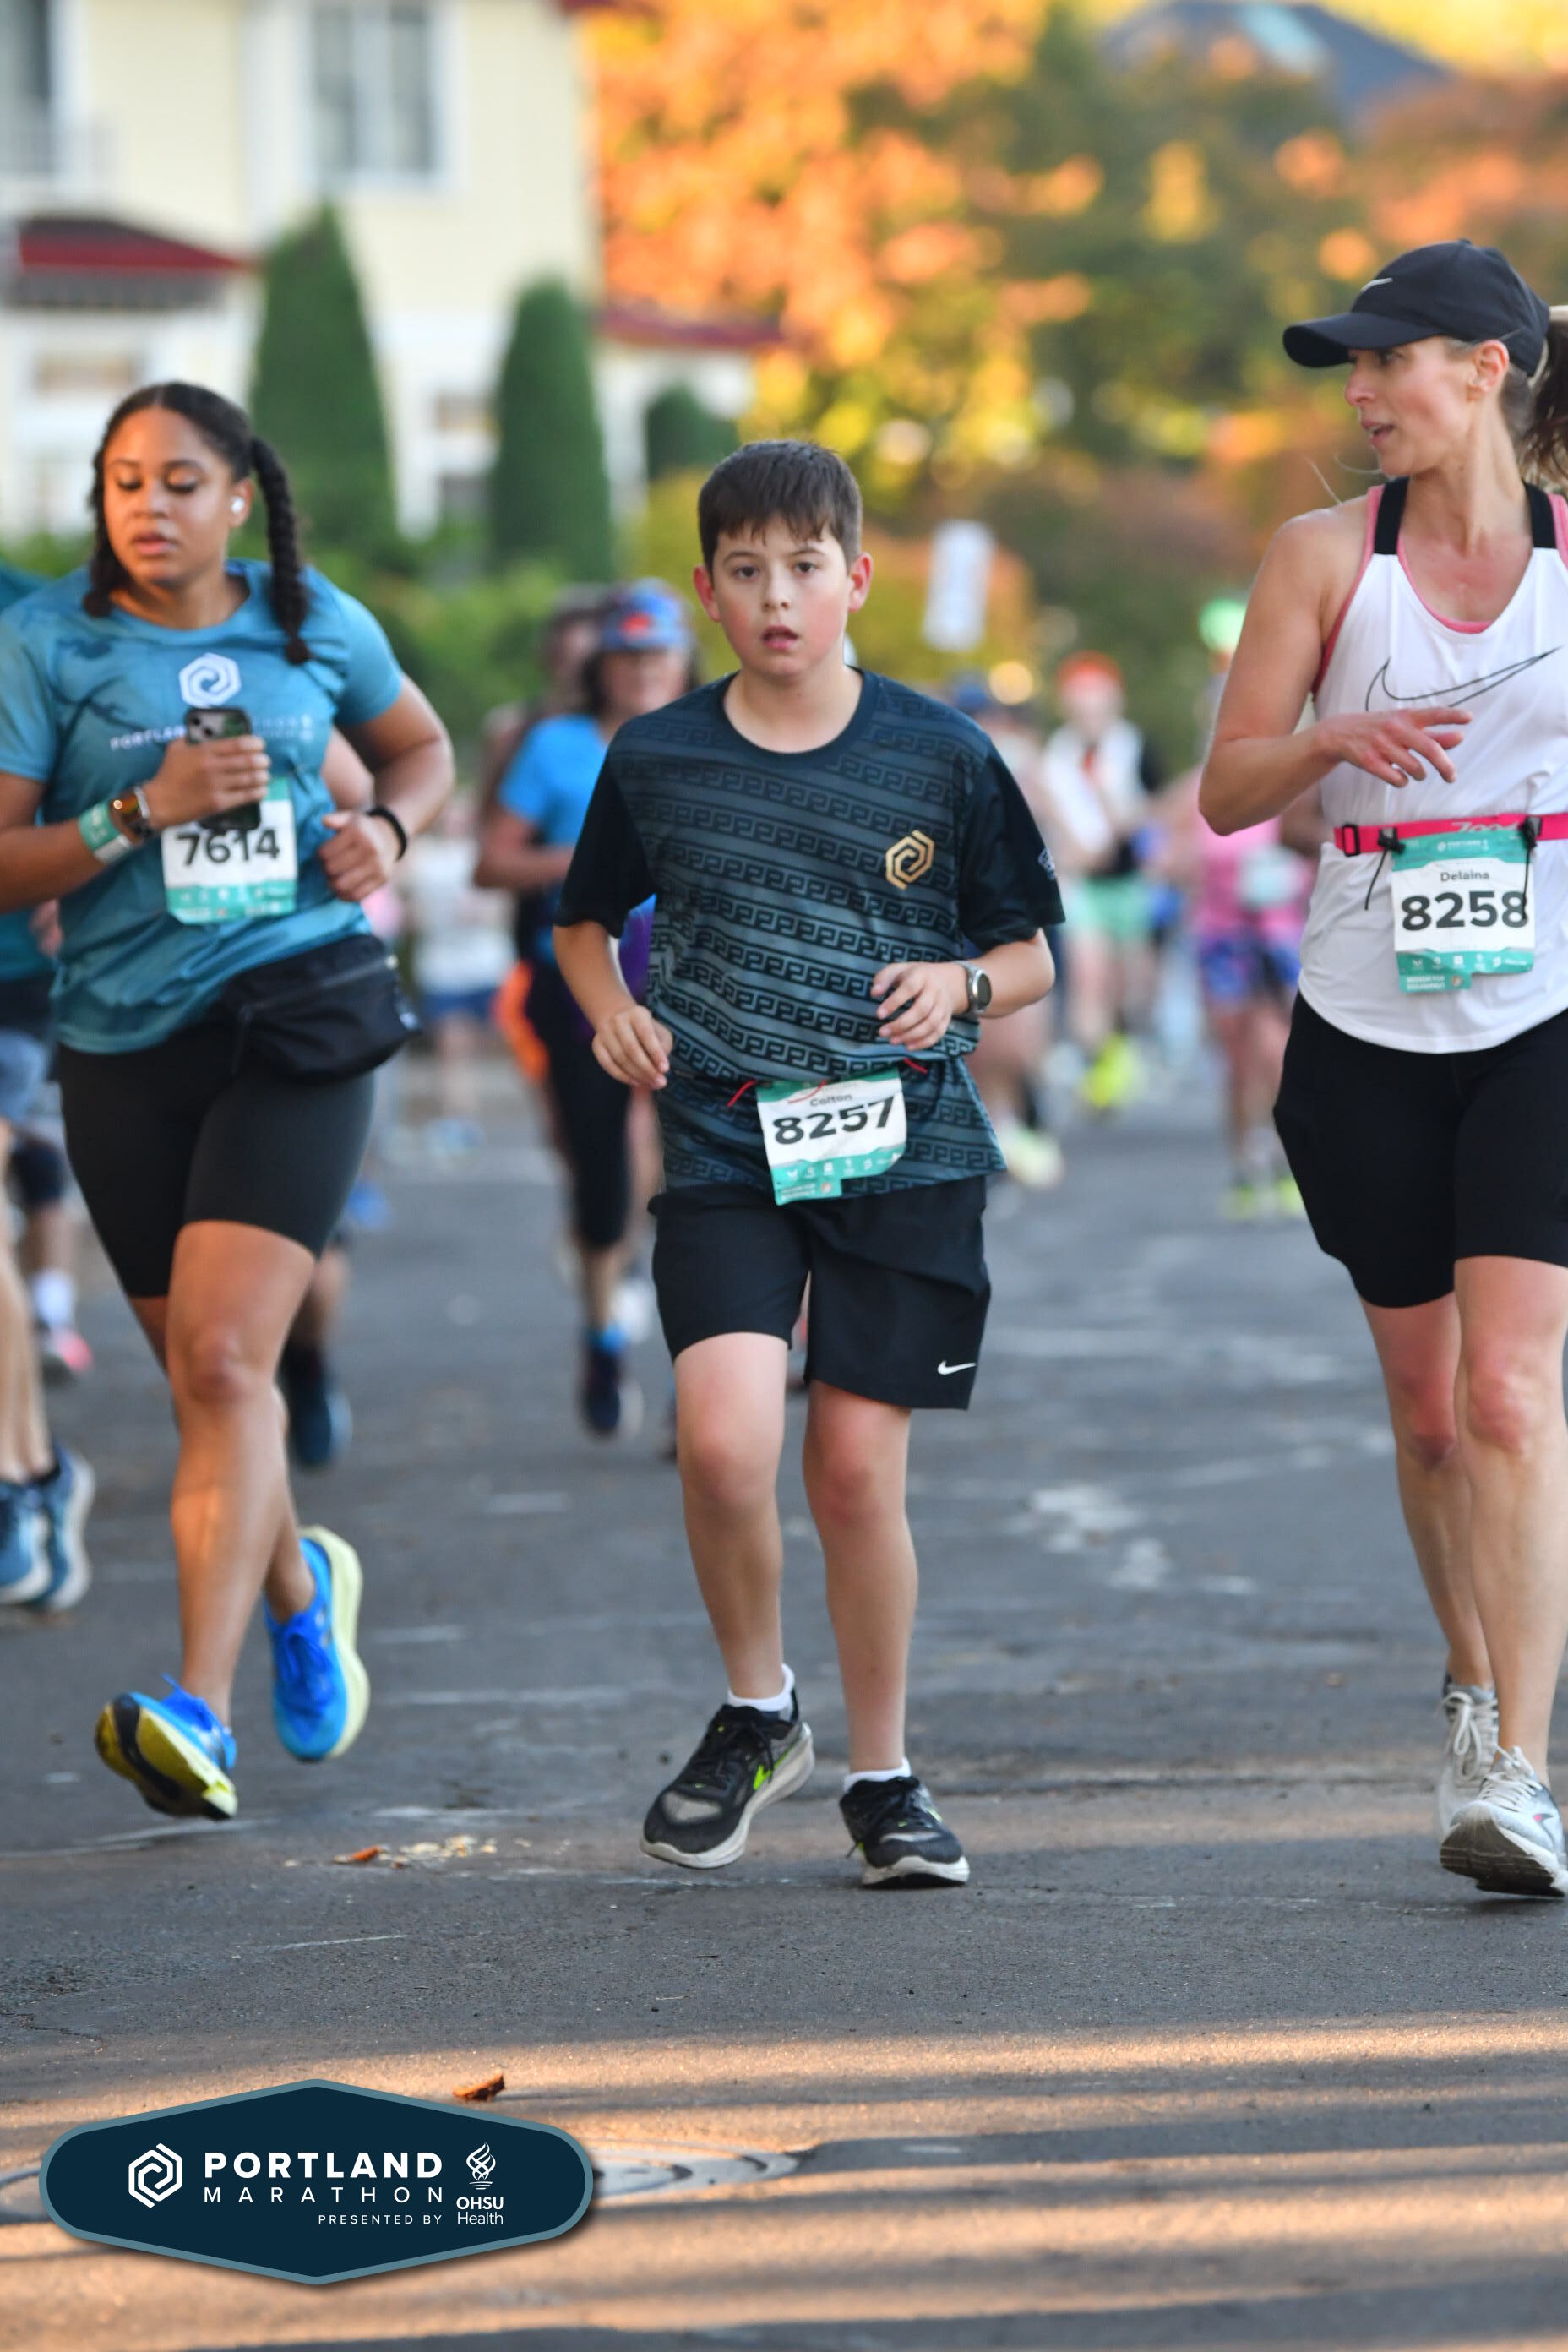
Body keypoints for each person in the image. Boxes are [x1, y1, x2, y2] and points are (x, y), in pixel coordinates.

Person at [553, 442, 1059, 1887]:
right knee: (723, 1441)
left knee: (849, 1470)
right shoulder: (657, 755)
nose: (778, 596)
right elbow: (582, 923)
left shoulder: (942, 752)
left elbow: (1029, 953)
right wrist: (611, 1011)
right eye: (747, 571)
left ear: (857, 578)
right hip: (726, 1138)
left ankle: (885, 1778)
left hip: (905, 1149)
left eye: (804, 567)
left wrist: (960, 986)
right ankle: (761, 1707)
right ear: (708, 591)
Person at [0, 380, 453, 1819]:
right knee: (212, 1380)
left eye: (182, 481)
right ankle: (301, 1584)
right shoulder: (47, 642)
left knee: (219, 1363)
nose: (151, 505)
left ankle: (199, 1710)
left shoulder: (311, 620)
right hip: (123, 1038)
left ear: (240, 496)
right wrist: (138, 810)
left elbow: (422, 748)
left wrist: (390, 829)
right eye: (126, 481)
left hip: (298, 1006)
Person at [1202, 240, 1568, 1898]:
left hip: (1543, 1014)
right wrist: (1328, 740)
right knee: (1428, 1416)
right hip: (1365, 1022)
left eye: (1384, 362)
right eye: (1348, 368)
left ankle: (1518, 1765)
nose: (1358, 394)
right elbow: (1223, 791)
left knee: (1509, 1393)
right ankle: (1472, 1682)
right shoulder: (1318, 559)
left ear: (1485, 369)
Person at [476, 581, 694, 1438]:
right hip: (579, 982)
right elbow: (492, 863)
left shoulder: (719, 735)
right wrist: (594, 863)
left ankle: (699, 1374)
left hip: (696, 983)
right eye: (627, 656)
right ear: (600, 665)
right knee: (600, 1173)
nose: (643, 672)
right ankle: (603, 1331)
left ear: (683, 659)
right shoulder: (555, 746)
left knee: (698, 1181)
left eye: (657, 655)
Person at [0, 563, 92, 1609]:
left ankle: (18, 1481)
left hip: (11, 969)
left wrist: (89, 862)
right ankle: (32, 1470)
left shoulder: (41, 618)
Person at [1043, 653, 1163, 1111]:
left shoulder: (1135, 747)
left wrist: (1120, 822)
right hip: (1081, 882)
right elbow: (1051, 813)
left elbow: (1156, 808)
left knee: (1130, 980)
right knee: (1088, 973)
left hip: (1129, 880)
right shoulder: (1058, 754)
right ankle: (1096, 1062)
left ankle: (1122, 1045)